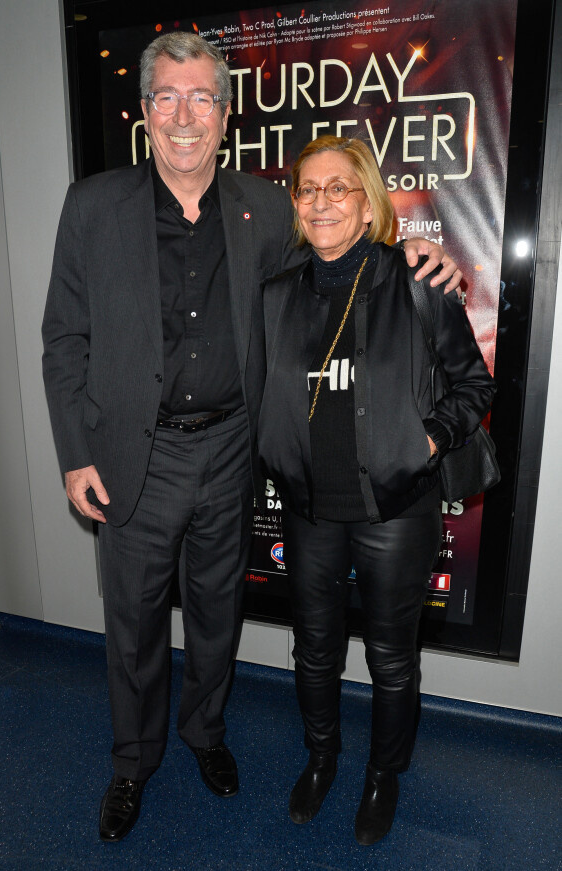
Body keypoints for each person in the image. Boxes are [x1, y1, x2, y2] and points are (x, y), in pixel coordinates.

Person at [42, 33, 462, 843]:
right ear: (144, 112)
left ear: (227, 116)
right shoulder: (91, 206)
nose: (185, 115)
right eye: (168, 96)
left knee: (215, 610)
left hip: (233, 447)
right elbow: (65, 338)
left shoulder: (267, 208)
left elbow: (336, 265)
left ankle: (205, 735)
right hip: (135, 452)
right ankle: (133, 761)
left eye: (203, 97)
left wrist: (411, 250)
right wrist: (74, 452)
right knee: (131, 621)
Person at [258, 135, 496, 846]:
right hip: (308, 510)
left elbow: (474, 384)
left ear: (368, 204)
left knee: (392, 657)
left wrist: (424, 438)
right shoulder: (276, 294)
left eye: (339, 188)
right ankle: (323, 756)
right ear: (296, 205)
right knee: (314, 650)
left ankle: (382, 772)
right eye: (308, 189)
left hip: (395, 509)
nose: (322, 201)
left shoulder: (418, 281)